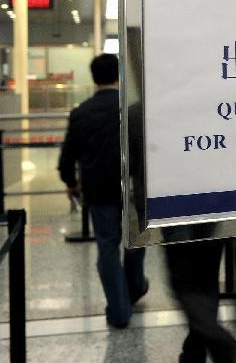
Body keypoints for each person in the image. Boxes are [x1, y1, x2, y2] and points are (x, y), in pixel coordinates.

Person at [58, 53, 148, 329]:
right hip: (133, 189)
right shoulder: (132, 110)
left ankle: (119, 311)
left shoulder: (80, 112)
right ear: (117, 75)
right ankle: (133, 290)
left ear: (94, 77)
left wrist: (71, 183)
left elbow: (67, 158)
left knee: (107, 247)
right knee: (135, 242)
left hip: (98, 192)